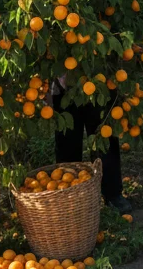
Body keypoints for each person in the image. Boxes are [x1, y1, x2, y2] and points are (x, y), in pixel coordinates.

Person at [52, 78, 132, 214]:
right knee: (67, 138)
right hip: (64, 83)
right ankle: (68, 194)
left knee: (104, 133)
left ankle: (112, 193)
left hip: (99, 78)